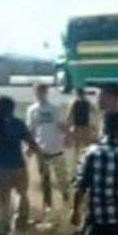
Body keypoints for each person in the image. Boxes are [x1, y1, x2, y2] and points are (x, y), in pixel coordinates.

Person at [0, 97, 41, 235]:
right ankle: (21, 224)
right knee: (22, 194)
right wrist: (36, 154)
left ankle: (4, 227)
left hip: (1, 167)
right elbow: (31, 142)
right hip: (19, 166)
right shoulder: (18, 123)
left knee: (4, 199)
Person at [26, 83, 68, 220]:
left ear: (46, 92)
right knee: (45, 180)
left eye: (42, 91)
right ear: (35, 93)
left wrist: (68, 136)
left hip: (56, 149)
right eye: (37, 92)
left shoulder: (54, 109)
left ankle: (67, 204)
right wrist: (30, 147)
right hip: (41, 150)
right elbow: (31, 130)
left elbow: (62, 126)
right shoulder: (32, 110)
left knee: (62, 179)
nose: (40, 94)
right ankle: (48, 206)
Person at [64, 87, 96, 157]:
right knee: (86, 144)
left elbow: (69, 114)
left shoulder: (74, 102)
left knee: (77, 145)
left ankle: (77, 158)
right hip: (85, 126)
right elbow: (94, 111)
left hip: (77, 127)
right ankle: (85, 158)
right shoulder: (87, 102)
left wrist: (67, 126)